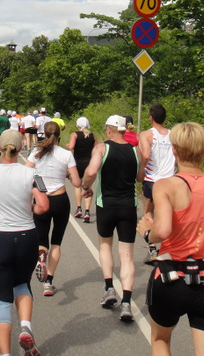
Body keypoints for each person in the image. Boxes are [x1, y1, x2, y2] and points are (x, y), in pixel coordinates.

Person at [138, 121, 204, 356]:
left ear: (174, 149)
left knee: (161, 340)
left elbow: (162, 231)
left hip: (170, 277)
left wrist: (146, 232)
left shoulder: (165, 185)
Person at [0, 129, 50, 356]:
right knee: (22, 285)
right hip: (27, 237)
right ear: (19, 149)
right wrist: (31, 207)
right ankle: (25, 326)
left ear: (0, 148)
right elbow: (44, 206)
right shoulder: (32, 174)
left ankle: (5, 354)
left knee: (3, 297)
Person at [82, 115, 147, 323]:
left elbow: (91, 171)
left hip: (106, 205)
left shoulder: (102, 148)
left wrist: (85, 187)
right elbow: (140, 177)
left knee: (105, 246)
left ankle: (109, 288)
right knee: (127, 255)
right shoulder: (136, 150)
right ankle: (126, 302)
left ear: (110, 129)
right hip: (128, 206)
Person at [26, 121, 81, 297]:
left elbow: (24, 175)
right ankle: (49, 282)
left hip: (41, 200)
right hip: (60, 199)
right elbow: (77, 182)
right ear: (59, 136)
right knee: (56, 241)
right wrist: (66, 175)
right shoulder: (66, 155)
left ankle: (41, 255)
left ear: (43, 133)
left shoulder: (36, 153)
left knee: (42, 239)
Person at [138, 104, 176, 262]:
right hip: (170, 180)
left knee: (149, 212)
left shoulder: (146, 134)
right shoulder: (173, 134)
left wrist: (141, 169)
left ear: (151, 118)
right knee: (169, 214)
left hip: (153, 179)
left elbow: (146, 154)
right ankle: (169, 247)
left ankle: (152, 247)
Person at [66, 117, 97, 223]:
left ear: (78, 125)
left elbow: (71, 146)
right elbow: (97, 148)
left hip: (77, 162)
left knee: (77, 185)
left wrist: (67, 145)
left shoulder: (75, 135)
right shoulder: (92, 135)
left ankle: (79, 208)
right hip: (89, 163)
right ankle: (87, 211)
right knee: (87, 186)